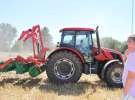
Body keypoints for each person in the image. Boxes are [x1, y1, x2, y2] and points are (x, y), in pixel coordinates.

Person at [122, 34, 135, 100]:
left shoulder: (133, 56)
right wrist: (126, 55)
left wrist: (125, 94)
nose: (127, 43)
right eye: (127, 41)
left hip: (131, 93)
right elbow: (125, 66)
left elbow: (130, 78)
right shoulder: (131, 54)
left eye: (130, 41)